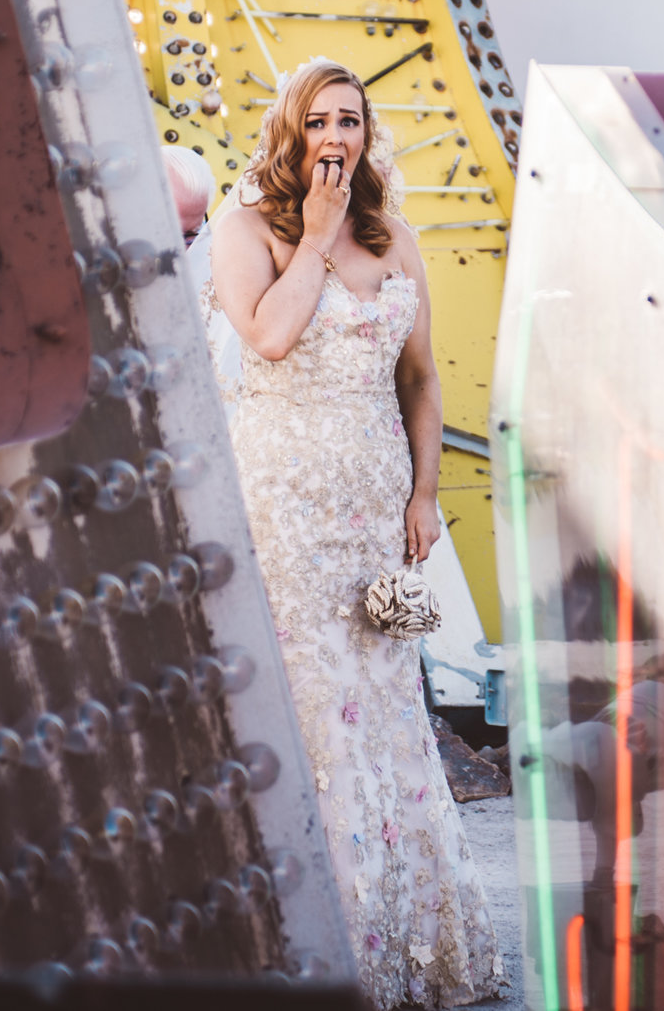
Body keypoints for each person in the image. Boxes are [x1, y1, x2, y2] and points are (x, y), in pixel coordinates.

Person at [210, 59, 510, 1008]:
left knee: (381, 707)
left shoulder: (401, 240)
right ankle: (311, 946)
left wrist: (424, 494)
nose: (336, 135)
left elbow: (419, 380)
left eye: (350, 119)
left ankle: (407, 941)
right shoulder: (244, 231)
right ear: (290, 133)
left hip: (373, 510)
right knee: (308, 709)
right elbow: (267, 337)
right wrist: (317, 239)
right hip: (284, 506)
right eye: (319, 121)